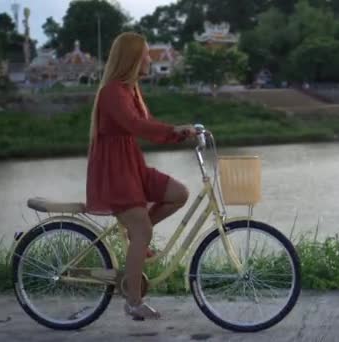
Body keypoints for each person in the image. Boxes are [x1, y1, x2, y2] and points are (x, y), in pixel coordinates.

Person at [86, 32, 196, 320]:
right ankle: (133, 302)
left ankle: (138, 235)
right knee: (143, 231)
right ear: (133, 58)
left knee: (179, 194)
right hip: (115, 171)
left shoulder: (130, 89)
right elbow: (135, 124)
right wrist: (173, 130)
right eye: (146, 54)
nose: (150, 58)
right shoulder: (112, 91)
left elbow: (143, 125)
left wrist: (178, 134)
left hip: (131, 164)